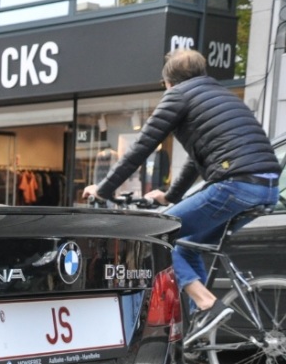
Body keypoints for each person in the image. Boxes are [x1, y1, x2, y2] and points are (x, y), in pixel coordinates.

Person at [83, 48, 281, 341]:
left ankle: (205, 302)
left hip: (235, 185)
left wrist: (103, 189)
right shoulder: (221, 95)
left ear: (167, 81)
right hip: (267, 187)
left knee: (155, 234)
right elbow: (196, 157)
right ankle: (199, 327)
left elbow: (141, 148)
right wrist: (171, 195)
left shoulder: (178, 95)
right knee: (188, 245)